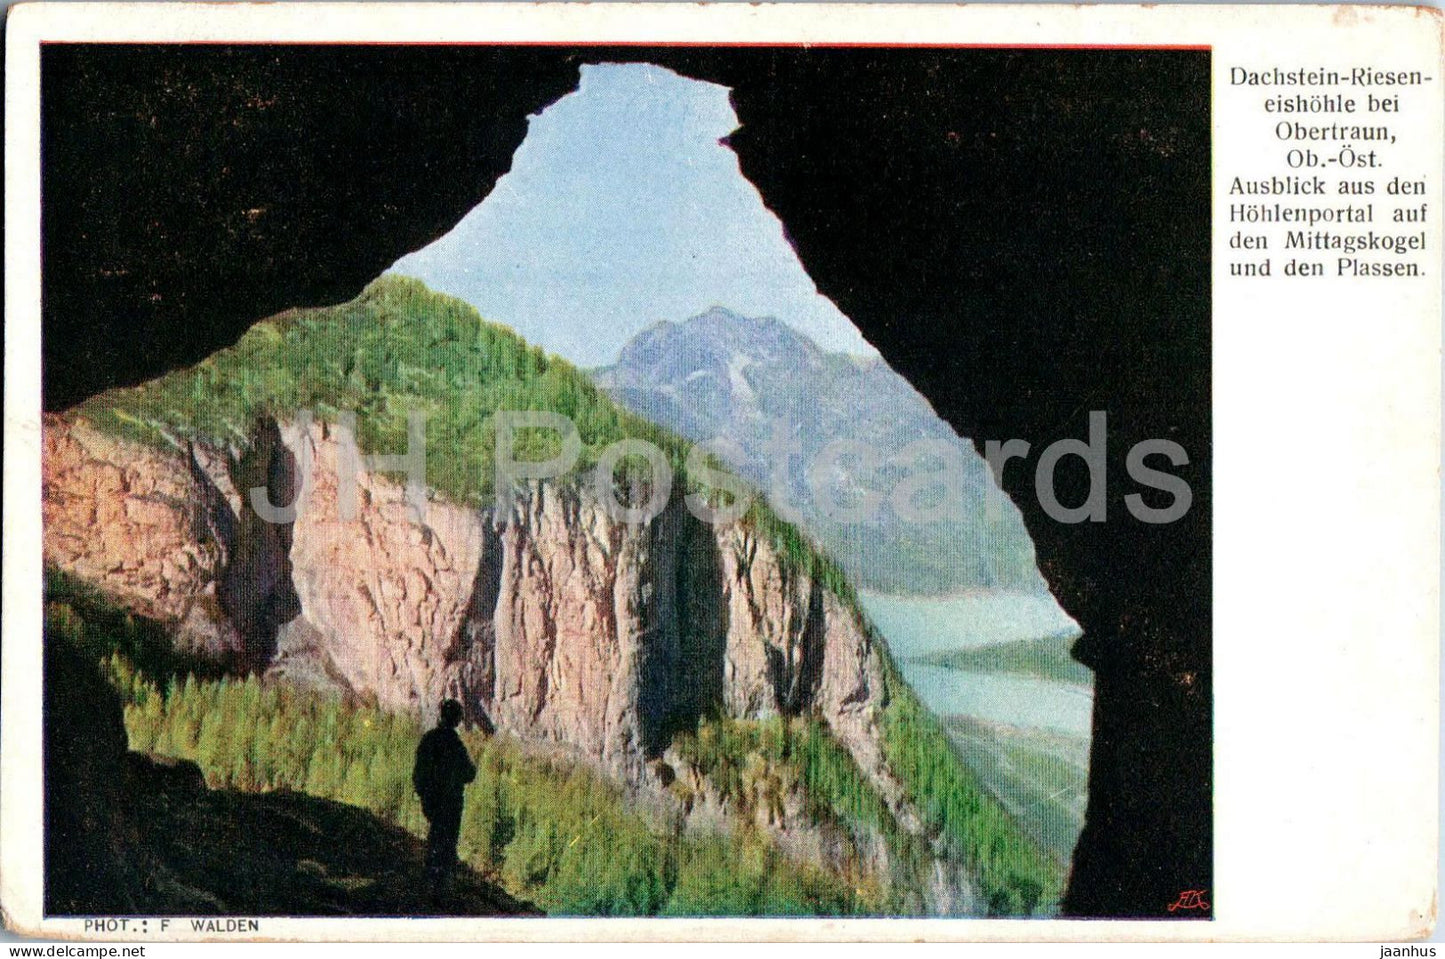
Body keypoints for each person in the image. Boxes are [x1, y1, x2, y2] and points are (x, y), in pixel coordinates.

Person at [411, 698, 476, 895]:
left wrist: (424, 794)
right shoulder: (455, 745)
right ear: (457, 720)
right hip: (451, 804)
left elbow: (418, 772)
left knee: (435, 838)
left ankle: (429, 881)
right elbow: (469, 773)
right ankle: (442, 888)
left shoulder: (429, 738)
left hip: (432, 801)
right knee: (447, 843)